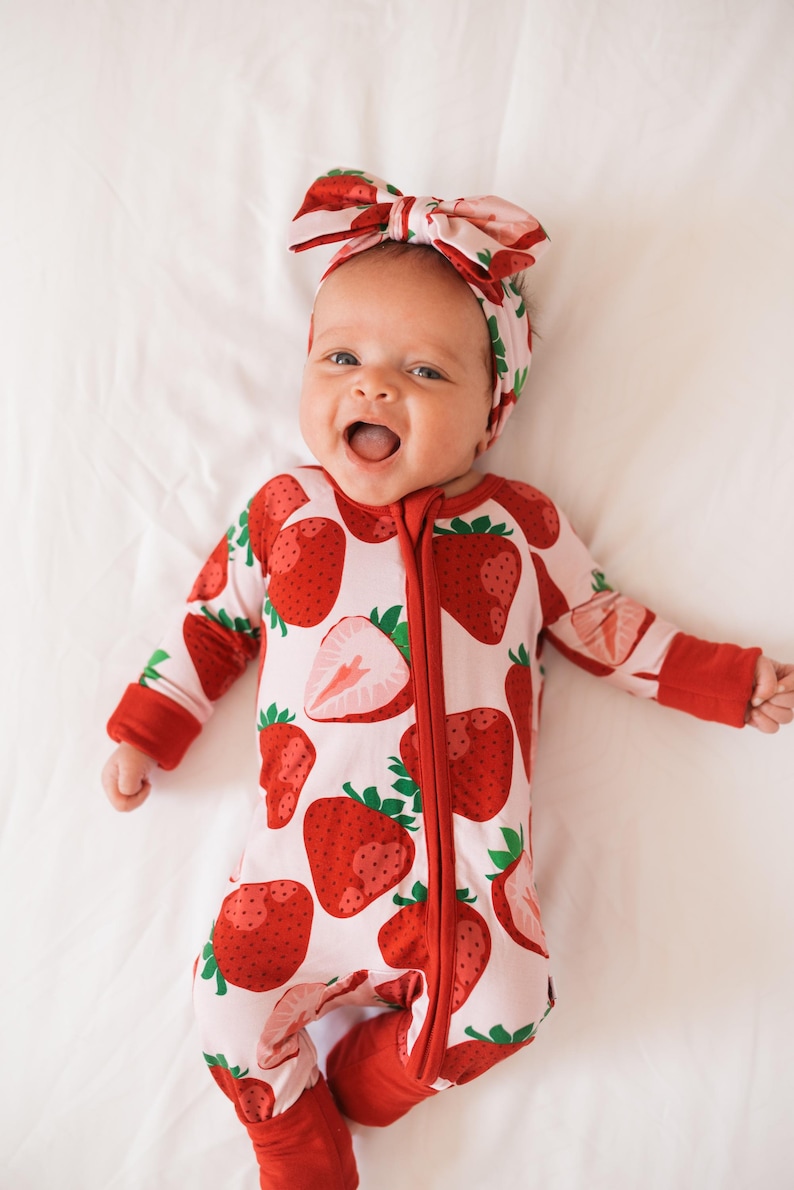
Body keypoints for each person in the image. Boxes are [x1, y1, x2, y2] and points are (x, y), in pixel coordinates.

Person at [102, 169, 794, 1190]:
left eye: (422, 372)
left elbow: (605, 625)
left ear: (488, 417)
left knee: (509, 1008)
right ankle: (298, 1145)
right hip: (288, 886)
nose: (372, 385)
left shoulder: (521, 525)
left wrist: (722, 680)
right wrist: (147, 726)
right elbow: (211, 621)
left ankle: (367, 1078)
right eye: (340, 358)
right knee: (225, 1013)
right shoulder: (284, 511)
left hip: (469, 898)